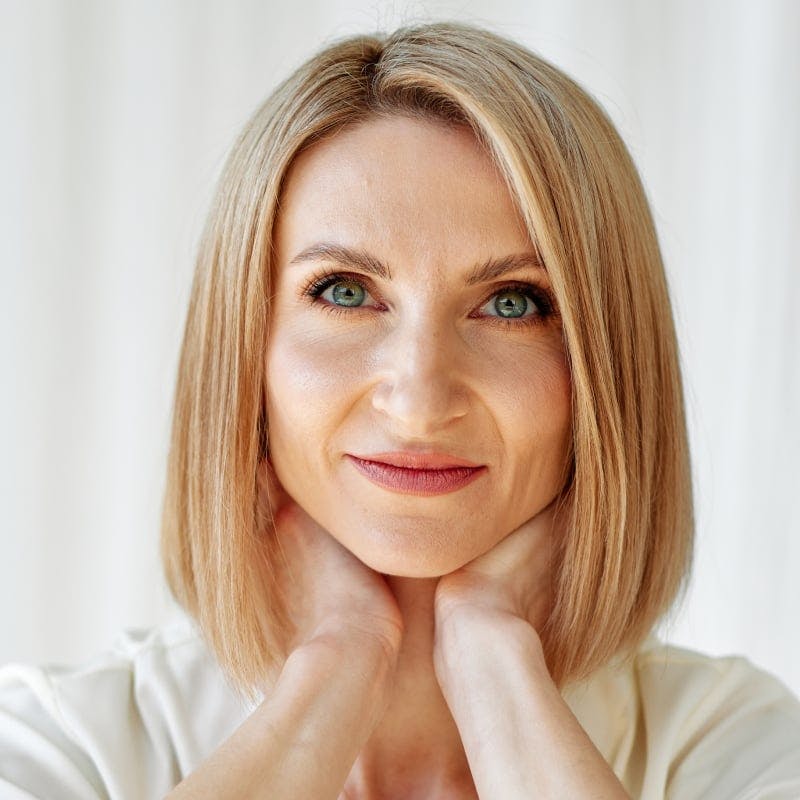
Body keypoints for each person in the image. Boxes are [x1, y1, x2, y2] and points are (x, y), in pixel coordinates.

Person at [1, 20, 799, 800]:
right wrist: (333, 672)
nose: (419, 402)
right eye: (345, 292)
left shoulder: (740, 749)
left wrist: (497, 666)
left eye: (513, 303)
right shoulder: (63, 745)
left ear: (607, 370)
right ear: (243, 354)